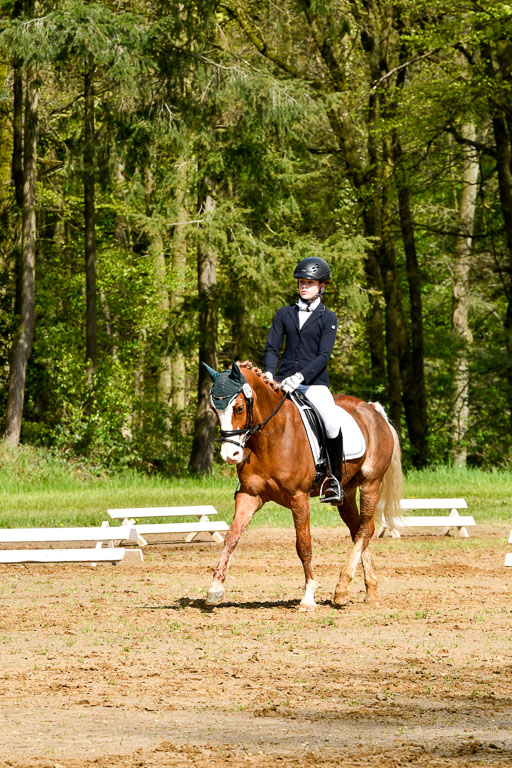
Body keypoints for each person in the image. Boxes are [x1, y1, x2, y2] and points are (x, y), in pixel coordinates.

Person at [263, 256, 345, 504]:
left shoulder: (328, 317)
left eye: (309, 282)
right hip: (282, 381)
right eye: (301, 282)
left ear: (322, 286)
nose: (303, 286)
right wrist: (268, 373)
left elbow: (323, 356)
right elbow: (272, 348)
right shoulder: (284, 314)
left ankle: (334, 481)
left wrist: (300, 377)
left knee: (331, 423)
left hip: (314, 383)